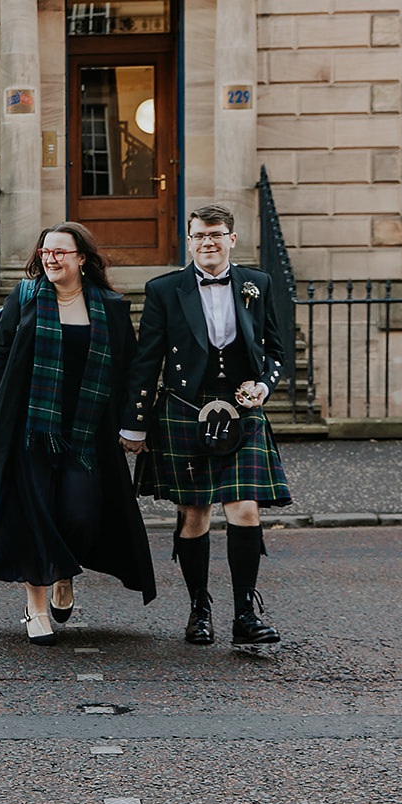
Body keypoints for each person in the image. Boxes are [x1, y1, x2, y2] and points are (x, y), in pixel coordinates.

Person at [0, 222, 157, 645]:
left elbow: (130, 367)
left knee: (80, 512)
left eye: (60, 252)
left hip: (87, 430)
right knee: (31, 515)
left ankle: (62, 574)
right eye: (45, 252)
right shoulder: (24, 298)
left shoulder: (109, 306)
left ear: (82, 258)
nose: (51, 259)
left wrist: (134, 421)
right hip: (28, 428)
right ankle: (35, 610)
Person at [120, 204, 291, 646]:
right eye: (199, 235)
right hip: (184, 409)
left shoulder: (258, 283)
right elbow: (145, 361)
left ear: (232, 239)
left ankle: (244, 613)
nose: (207, 243)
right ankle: (200, 607)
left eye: (216, 234)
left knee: (245, 509)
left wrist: (264, 386)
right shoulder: (164, 289)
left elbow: (275, 348)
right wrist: (135, 425)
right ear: (189, 241)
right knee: (194, 514)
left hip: (242, 410)